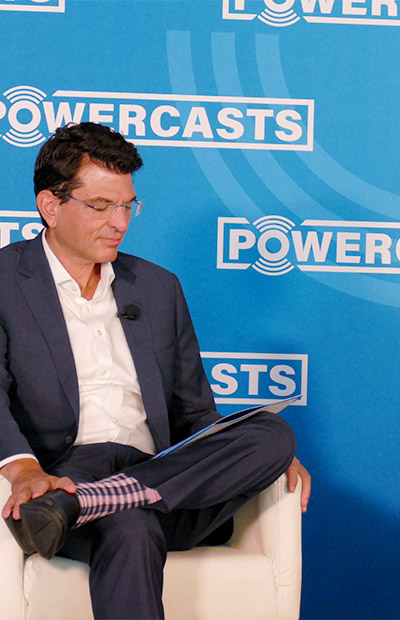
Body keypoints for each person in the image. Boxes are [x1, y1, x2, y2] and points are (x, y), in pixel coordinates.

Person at [0, 122, 311, 619]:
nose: (119, 222)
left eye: (127, 205)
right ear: (51, 206)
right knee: (130, 525)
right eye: (101, 206)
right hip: (65, 478)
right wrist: (24, 470)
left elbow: (195, 412)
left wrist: (253, 458)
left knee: (271, 433)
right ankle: (102, 501)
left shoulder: (157, 286)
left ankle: (99, 500)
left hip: (163, 480)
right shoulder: (5, 282)